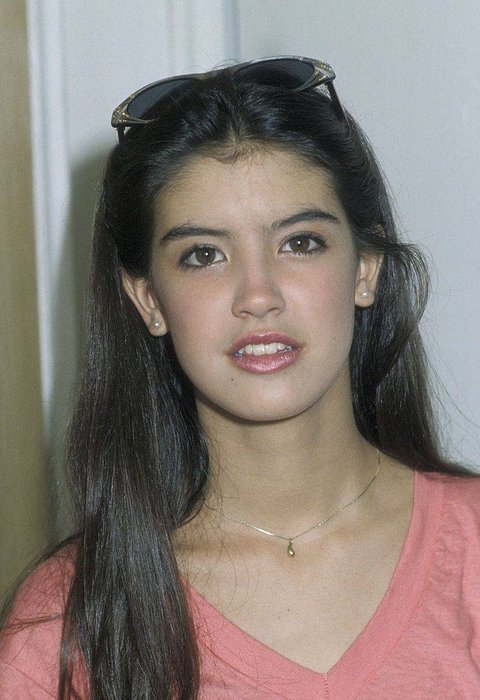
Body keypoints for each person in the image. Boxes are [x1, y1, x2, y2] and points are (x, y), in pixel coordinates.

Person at [1, 56, 479, 700]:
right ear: (148, 300)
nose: (258, 295)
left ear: (365, 268)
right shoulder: (66, 623)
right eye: (204, 255)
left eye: (300, 242)